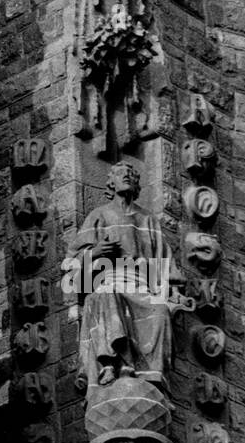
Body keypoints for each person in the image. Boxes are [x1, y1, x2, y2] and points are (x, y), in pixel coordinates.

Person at [65, 161, 180, 389]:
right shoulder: (99, 215)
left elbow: (165, 264)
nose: (126, 177)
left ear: (137, 184)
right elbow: (72, 263)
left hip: (141, 284)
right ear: (111, 182)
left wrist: (172, 288)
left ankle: (152, 377)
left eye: (131, 174)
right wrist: (96, 252)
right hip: (110, 280)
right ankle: (112, 364)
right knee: (107, 294)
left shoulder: (148, 220)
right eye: (120, 174)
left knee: (159, 310)